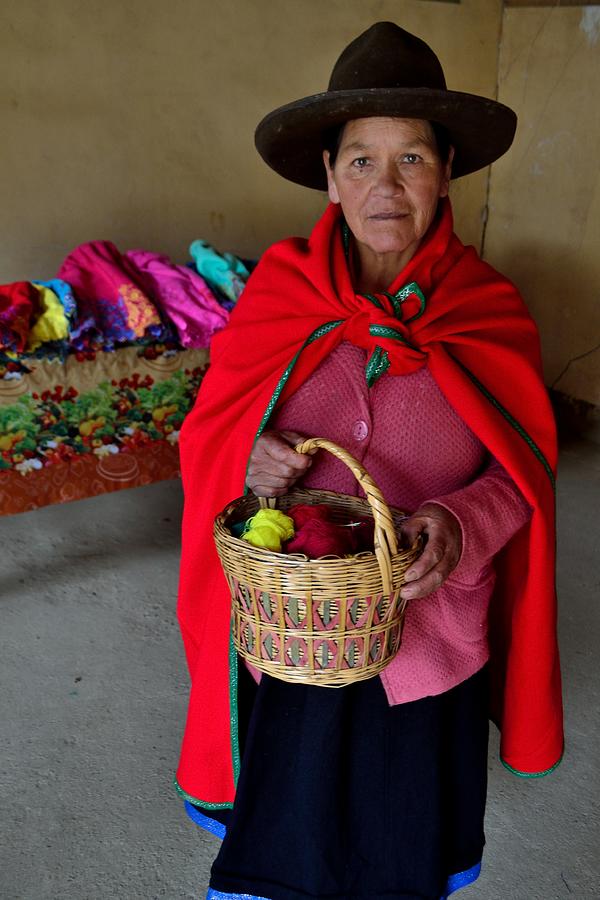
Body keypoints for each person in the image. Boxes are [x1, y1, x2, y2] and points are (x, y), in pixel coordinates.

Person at [175, 22, 563, 900]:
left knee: (401, 845)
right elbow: (208, 433)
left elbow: (525, 476)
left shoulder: (488, 309)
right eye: (361, 161)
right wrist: (251, 455)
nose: (385, 188)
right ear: (327, 175)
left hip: (431, 632)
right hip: (297, 628)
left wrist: (461, 526)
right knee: (288, 832)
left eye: (412, 160)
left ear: (447, 171)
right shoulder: (280, 292)